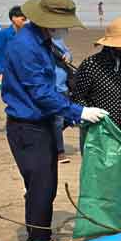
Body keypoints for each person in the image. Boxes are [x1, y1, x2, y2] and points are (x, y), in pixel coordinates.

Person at [0, 0, 107, 241]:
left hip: (43, 124)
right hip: (27, 127)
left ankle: (40, 235)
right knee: (40, 188)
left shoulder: (42, 41)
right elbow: (41, 93)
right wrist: (78, 112)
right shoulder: (25, 46)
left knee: (45, 187)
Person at [70, 17, 121, 204]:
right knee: (102, 181)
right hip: (97, 133)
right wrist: (89, 112)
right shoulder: (91, 65)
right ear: (113, 46)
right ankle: (105, 223)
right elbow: (77, 97)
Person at [51, 29, 74, 163]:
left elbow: (68, 53)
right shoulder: (39, 43)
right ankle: (60, 153)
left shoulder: (58, 40)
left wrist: (67, 56)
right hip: (52, 88)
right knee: (58, 120)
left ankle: (51, 137)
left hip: (64, 86)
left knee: (68, 119)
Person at [0, 5, 26, 80]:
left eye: (25, 20)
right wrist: (1, 72)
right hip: (9, 71)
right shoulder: (4, 34)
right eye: (23, 19)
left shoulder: (26, 34)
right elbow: (0, 54)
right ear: (13, 18)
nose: (24, 22)